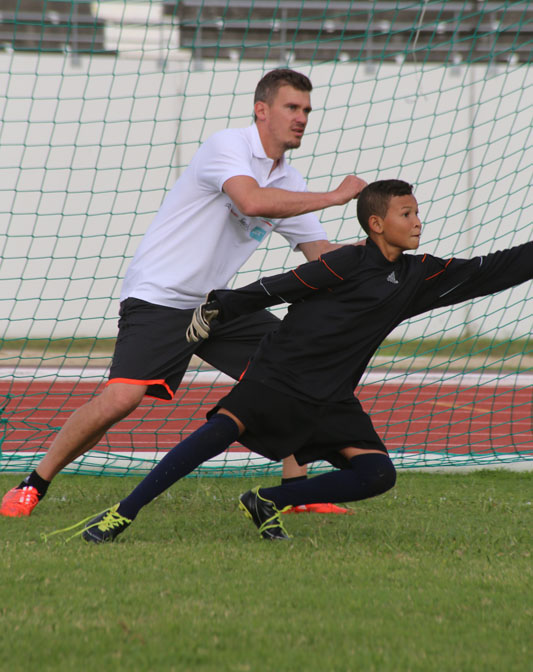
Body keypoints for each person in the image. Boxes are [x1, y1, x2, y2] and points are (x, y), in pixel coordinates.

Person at [53, 178, 532, 543]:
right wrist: (219, 306)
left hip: (331, 397)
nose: (418, 221)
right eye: (407, 213)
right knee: (211, 439)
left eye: (418, 212)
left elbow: (491, 271)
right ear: (377, 224)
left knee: (378, 474)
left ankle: (267, 500)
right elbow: (280, 286)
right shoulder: (346, 262)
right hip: (277, 377)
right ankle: (122, 514)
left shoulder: (418, 275)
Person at [1, 68, 367, 519]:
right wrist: (334, 197)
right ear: (262, 110)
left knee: (293, 370)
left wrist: (373, 251)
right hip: (160, 295)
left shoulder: (291, 184)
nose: (302, 118)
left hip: (217, 305)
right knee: (122, 398)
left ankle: (299, 490)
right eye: (292, 107)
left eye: (307, 110)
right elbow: (251, 201)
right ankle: (33, 484)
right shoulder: (227, 146)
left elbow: (320, 253)